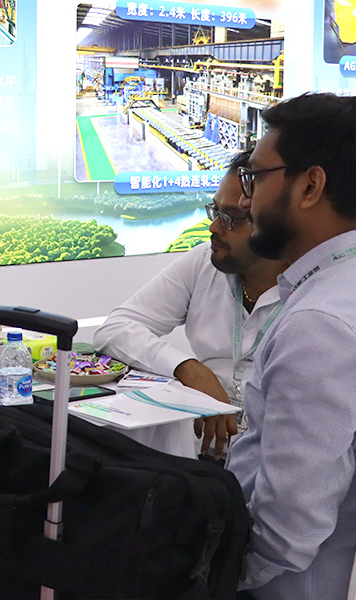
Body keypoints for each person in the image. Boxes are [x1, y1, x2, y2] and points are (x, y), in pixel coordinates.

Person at [229, 92, 356, 599]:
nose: (246, 200)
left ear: (310, 185)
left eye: (255, 178)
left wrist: (207, 575)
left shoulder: (321, 327)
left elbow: (286, 534)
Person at [94, 150, 288, 459]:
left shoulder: (313, 292)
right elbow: (115, 329)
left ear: (275, 224)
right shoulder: (205, 262)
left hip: (270, 459)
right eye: (215, 211)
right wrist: (188, 368)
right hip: (200, 455)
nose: (214, 228)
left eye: (230, 219)